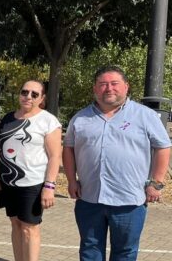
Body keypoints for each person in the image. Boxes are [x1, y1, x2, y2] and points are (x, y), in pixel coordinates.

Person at [63, 65, 171, 261]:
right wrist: (71, 180)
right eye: (103, 84)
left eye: (114, 84)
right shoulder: (80, 118)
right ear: (95, 89)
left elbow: (163, 147)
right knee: (89, 250)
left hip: (129, 200)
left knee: (125, 253)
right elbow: (68, 148)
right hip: (89, 199)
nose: (109, 88)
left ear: (126, 87)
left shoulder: (144, 115)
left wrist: (156, 183)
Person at [0, 80, 61, 261]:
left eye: (34, 94)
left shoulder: (48, 121)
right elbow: (1, 151)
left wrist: (50, 186)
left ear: (42, 98)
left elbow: (54, 156)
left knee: (29, 228)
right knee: (15, 224)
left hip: (33, 183)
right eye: (24, 92)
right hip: (8, 182)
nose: (28, 97)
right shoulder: (7, 119)